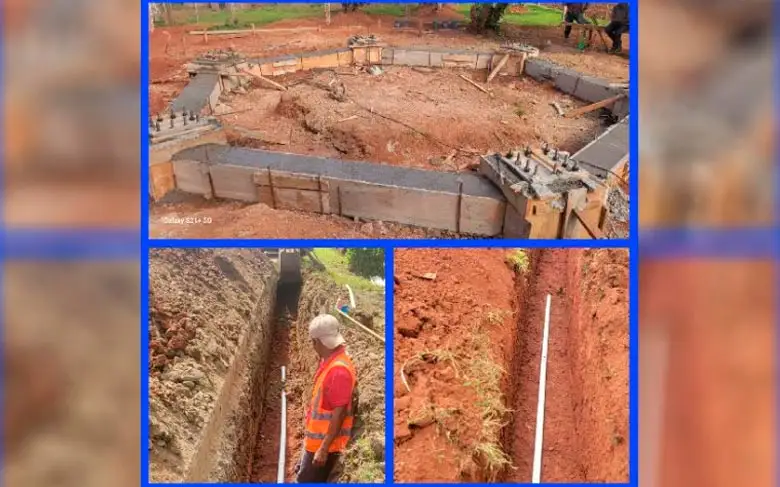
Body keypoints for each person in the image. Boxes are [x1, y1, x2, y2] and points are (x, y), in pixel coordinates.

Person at [295, 314, 358, 483]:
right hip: (316, 441)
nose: (312, 346)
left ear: (318, 342)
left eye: (313, 342)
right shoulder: (331, 361)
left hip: (325, 446)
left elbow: (340, 411)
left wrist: (323, 449)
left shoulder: (338, 370)